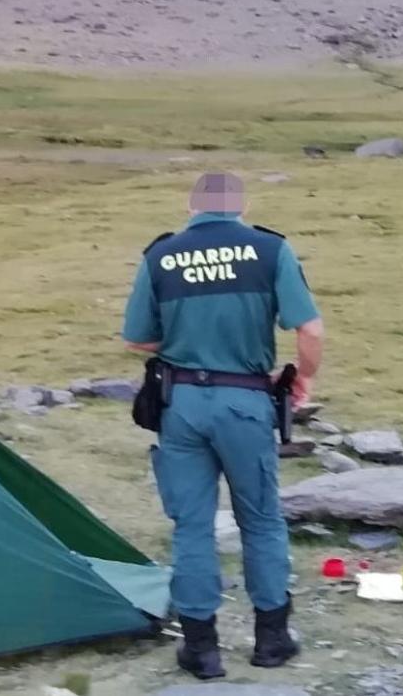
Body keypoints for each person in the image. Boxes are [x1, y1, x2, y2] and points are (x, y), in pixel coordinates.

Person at [122, 172, 324, 678]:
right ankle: (271, 640)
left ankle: (201, 649)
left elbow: (138, 338)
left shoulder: (161, 255)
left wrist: (183, 339)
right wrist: (302, 376)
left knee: (192, 524)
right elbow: (310, 328)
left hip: (181, 403)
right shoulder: (270, 250)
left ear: (191, 205)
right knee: (261, 519)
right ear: (241, 205)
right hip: (246, 401)